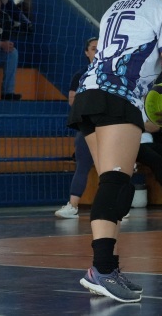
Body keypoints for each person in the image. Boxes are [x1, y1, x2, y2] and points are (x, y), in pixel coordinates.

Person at [66, 0, 162, 303]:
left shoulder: (114, 8)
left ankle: (107, 268)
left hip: (89, 96)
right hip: (117, 97)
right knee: (116, 183)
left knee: (117, 187)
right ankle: (101, 270)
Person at [56, 37, 98, 219]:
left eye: (101, 48)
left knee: (112, 166)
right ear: (87, 53)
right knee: (83, 165)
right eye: (94, 48)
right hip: (87, 126)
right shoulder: (81, 75)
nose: (98, 52)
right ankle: (72, 206)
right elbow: (72, 101)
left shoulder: (114, 73)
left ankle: (119, 206)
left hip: (108, 126)